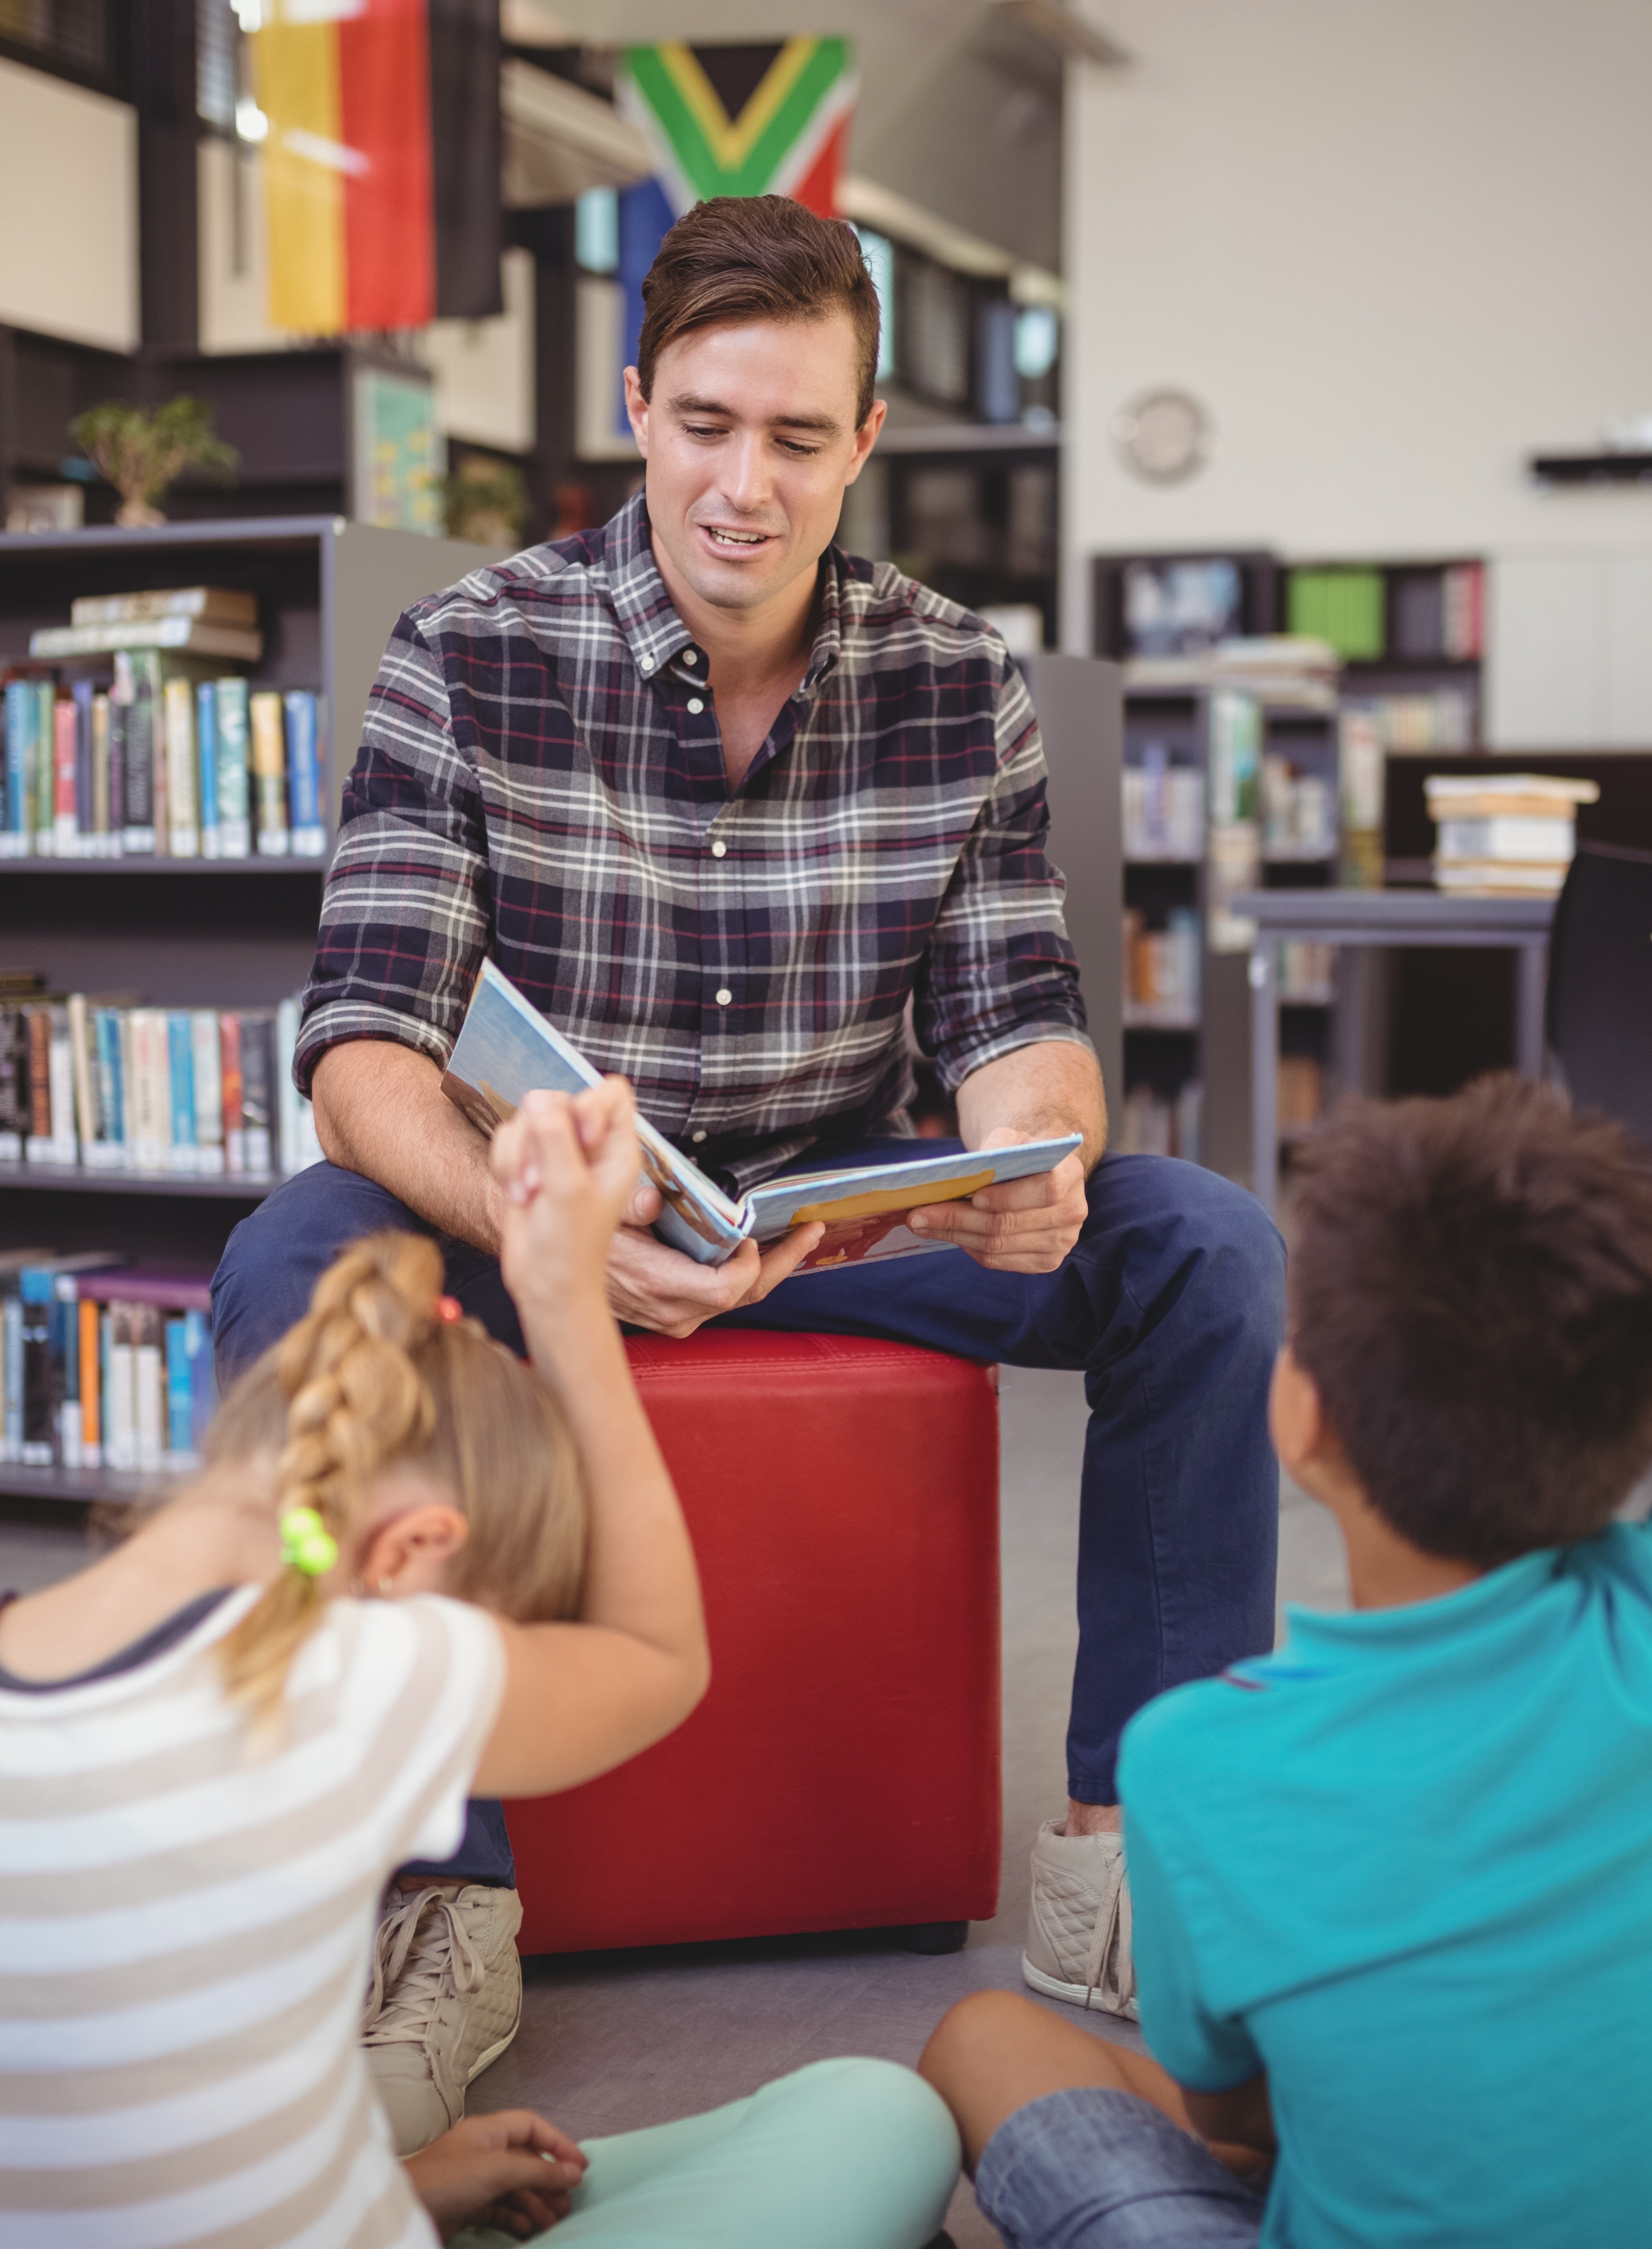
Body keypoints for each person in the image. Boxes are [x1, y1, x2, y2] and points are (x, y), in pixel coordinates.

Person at [212, 186, 1284, 2135]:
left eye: (799, 437)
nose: (745, 484)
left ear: (866, 440)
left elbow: (1020, 1020)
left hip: (841, 1216)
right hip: (533, 1209)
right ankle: (427, 1884)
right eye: (707, 423)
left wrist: (1035, 1150)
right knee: (292, 1252)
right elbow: (361, 1051)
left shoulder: (963, 681)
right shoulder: (471, 653)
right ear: (637, 404)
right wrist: (539, 1234)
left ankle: (1131, 1844)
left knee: (1199, 1245)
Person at [913, 582, 1652, 2245]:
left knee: (982, 2042)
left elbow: (1241, 2133)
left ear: (1293, 1413)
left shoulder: (1196, 1764)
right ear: (1650, 1407)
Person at [0, 1078, 962, 2249]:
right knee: (879, 2111)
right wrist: (560, 1297)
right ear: (410, 1553)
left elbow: (102, 2164)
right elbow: (657, 1657)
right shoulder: (347, 1678)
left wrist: (398, 2184)